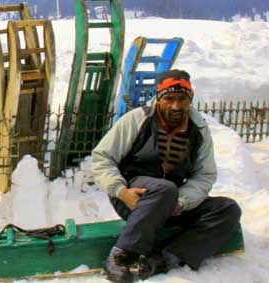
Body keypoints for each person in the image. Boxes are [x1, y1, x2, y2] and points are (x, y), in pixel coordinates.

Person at [91, 69, 241, 283]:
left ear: (190, 98)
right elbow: (102, 157)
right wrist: (121, 191)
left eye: (182, 99)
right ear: (159, 98)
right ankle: (121, 255)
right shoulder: (138, 119)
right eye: (169, 99)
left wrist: (182, 202)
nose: (176, 106)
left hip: (172, 202)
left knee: (227, 209)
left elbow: (204, 175)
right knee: (164, 189)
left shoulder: (197, 128)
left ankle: (165, 258)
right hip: (135, 198)